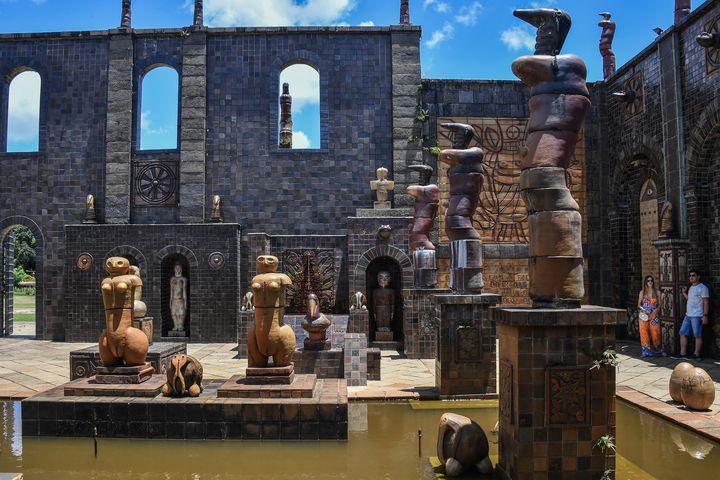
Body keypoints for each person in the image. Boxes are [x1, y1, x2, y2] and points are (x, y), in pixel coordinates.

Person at [679, 269, 710, 359]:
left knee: (697, 335)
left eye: (693, 275)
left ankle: (696, 354)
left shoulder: (703, 288)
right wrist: (684, 293)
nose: (691, 277)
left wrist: (705, 316)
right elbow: (690, 299)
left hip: (697, 315)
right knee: (682, 333)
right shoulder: (691, 287)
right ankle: (682, 353)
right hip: (688, 315)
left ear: (698, 277)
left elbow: (706, 302)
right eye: (690, 276)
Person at [638, 275, 663, 357]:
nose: (650, 282)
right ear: (645, 282)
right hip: (644, 315)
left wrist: (656, 310)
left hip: (654, 314)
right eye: (648, 281)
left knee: (656, 332)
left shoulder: (657, 292)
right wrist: (644, 310)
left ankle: (658, 349)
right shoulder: (642, 292)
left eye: (651, 280)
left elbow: (660, 304)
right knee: (644, 333)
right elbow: (639, 305)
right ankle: (646, 351)